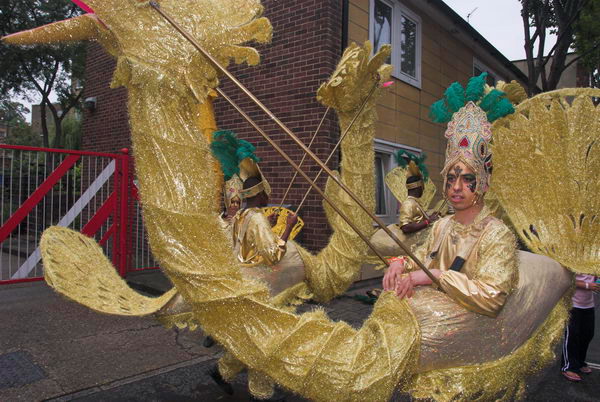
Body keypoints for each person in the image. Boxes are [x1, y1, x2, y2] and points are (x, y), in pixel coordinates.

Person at [383, 75, 519, 320]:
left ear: (484, 183)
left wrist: (436, 275)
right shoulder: (442, 226)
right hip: (431, 316)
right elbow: (421, 258)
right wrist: (399, 264)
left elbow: (492, 298)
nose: (457, 187)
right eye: (451, 179)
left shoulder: (497, 235)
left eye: (468, 179)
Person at [561, 274, 598, 381]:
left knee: (587, 334)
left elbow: (594, 278)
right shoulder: (573, 259)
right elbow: (566, 280)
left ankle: (580, 362)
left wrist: (596, 281)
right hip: (573, 305)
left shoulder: (590, 261)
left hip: (588, 305)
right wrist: (587, 285)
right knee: (572, 336)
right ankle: (568, 367)